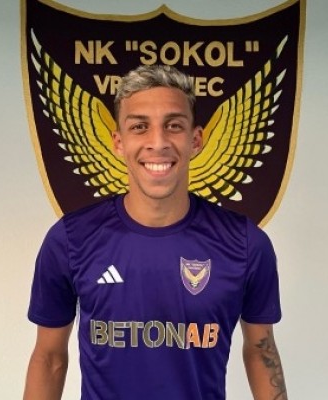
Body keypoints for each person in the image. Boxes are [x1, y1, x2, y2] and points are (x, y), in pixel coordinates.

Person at [24, 65, 287, 400]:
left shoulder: (246, 243)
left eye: (174, 125)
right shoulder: (70, 239)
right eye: (139, 127)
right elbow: (49, 358)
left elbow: (261, 351)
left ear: (195, 140)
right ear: (119, 142)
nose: (158, 142)